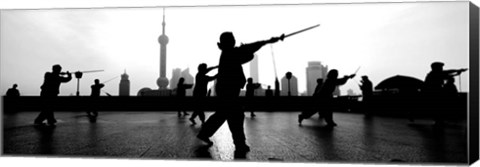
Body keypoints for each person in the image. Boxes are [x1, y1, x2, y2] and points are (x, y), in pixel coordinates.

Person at [196, 32, 283, 152]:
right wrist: (268, 41)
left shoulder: (227, 53)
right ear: (229, 42)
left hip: (226, 89)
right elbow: (249, 48)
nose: (233, 41)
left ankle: (207, 133)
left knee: (224, 114)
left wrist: (267, 41)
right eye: (231, 39)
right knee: (235, 116)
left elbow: (247, 50)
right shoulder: (230, 52)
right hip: (229, 90)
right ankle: (239, 143)